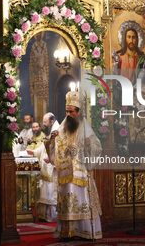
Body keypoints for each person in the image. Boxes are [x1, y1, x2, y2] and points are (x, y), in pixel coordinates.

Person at [48, 91, 103, 241]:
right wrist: (52, 141)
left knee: (82, 201)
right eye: (67, 111)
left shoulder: (86, 127)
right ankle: (67, 233)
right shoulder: (62, 126)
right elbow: (53, 143)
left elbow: (98, 147)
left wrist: (89, 145)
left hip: (81, 172)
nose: (68, 114)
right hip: (66, 172)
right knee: (67, 203)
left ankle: (85, 232)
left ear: (78, 112)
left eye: (71, 112)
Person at [26, 113, 60, 222]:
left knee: (51, 192)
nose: (44, 125)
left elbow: (60, 150)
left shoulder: (57, 132)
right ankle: (44, 215)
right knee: (45, 191)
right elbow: (44, 147)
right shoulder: (50, 131)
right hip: (46, 167)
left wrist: (52, 159)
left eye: (45, 123)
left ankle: (52, 216)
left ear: (51, 122)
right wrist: (34, 151)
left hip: (52, 167)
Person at [113, 27, 145, 104]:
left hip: (137, 95)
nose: (131, 41)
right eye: (129, 37)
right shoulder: (118, 56)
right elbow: (113, 76)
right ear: (125, 39)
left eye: (133, 37)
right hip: (121, 93)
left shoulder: (143, 58)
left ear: (137, 39)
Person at [29, 32, 49, 121]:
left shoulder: (44, 45)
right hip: (36, 74)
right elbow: (31, 61)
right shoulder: (33, 46)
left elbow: (46, 59)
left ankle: (44, 121)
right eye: (37, 34)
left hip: (43, 73)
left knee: (43, 100)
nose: (38, 35)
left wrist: (43, 67)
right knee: (36, 96)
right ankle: (37, 121)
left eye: (40, 34)